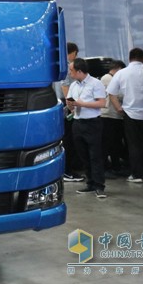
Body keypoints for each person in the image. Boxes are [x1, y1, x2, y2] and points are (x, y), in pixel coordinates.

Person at [108, 48, 143, 183]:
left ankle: (136, 175)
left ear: (129, 58)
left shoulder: (121, 73)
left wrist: (118, 108)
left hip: (131, 114)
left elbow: (111, 93)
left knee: (134, 145)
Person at [67, 58, 108, 198]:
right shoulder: (73, 85)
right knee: (83, 155)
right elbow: (71, 102)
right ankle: (90, 183)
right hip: (77, 122)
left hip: (92, 123)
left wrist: (82, 104)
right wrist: (70, 105)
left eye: (71, 70)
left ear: (79, 71)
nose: (70, 73)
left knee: (95, 155)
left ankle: (99, 185)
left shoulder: (95, 83)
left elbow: (102, 103)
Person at [60, 42, 84, 183]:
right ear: (74, 52)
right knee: (68, 140)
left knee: (67, 139)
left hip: (61, 105)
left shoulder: (59, 65)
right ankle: (67, 171)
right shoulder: (68, 67)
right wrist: (72, 107)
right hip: (67, 106)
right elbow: (65, 88)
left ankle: (68, 169)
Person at [100, 60, 127, 176]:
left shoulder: (110, 78)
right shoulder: (107, 78)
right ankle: (105, 168)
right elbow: (118, 94)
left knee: (115, 143)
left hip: (114, 115)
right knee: (108, 143)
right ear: (119, 69)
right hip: (108, 115)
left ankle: (116, 166)